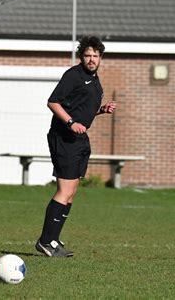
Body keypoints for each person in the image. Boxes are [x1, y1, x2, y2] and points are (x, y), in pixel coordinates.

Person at [35, 36, 117, 257]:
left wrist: (101, 110)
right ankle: (45, 241)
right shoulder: (74, 75)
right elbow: (53, 102)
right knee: (64, 190)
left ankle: (54, 240)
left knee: (71, 193)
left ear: (100, 58)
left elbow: (83, 108)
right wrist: (70, 123)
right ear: (82, 56)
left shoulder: (94, 78)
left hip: (80, 139)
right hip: (64, 137)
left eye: (95, 56)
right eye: (87, 55)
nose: (91, 59)